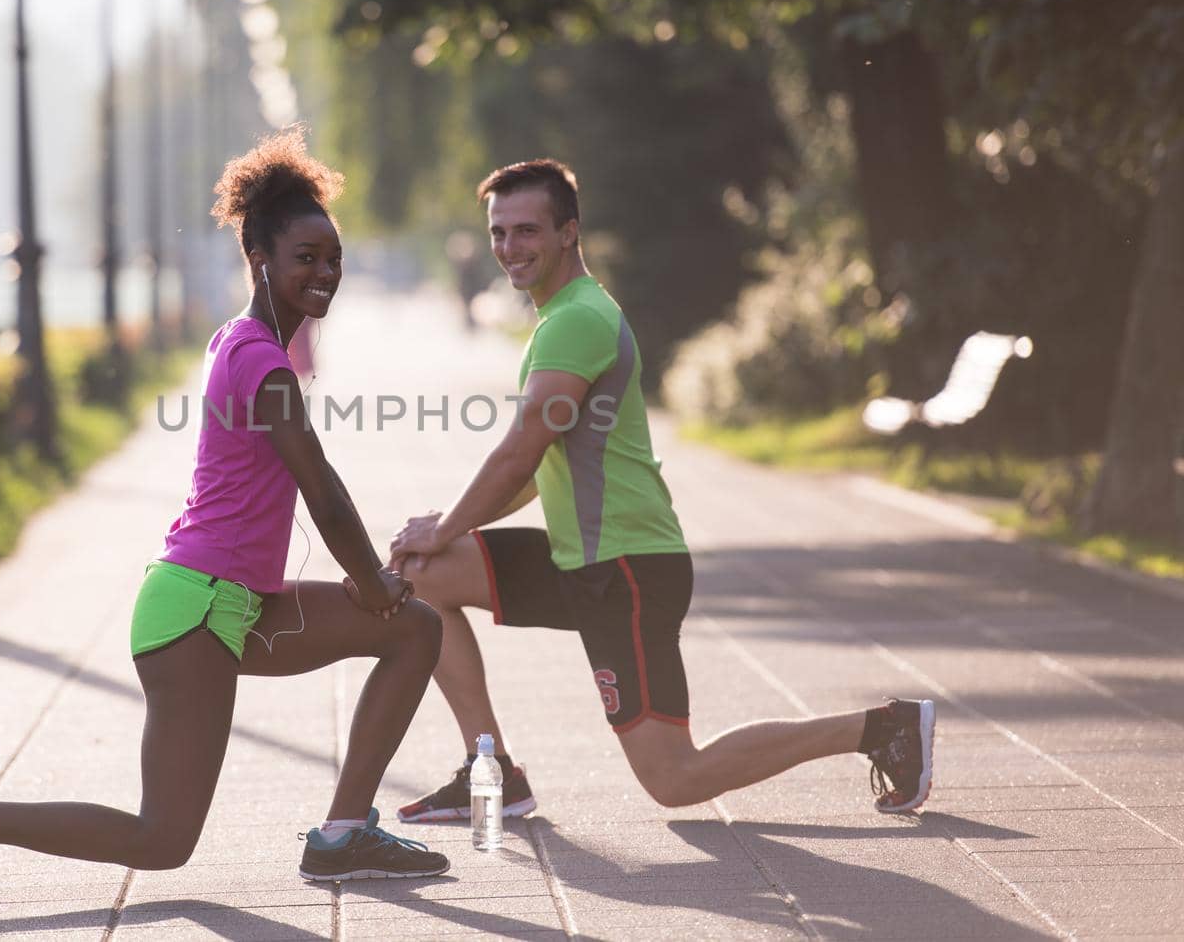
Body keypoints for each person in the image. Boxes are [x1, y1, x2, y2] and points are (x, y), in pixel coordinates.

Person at [0, 128, 449, 909]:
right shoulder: (259, 357)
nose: (325, 272)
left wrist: (380, 594)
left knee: (415, 629)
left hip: (236, 602)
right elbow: (320, 486)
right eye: (306, 258)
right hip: (196, 611)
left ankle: (343, 833)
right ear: (261, 260)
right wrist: (371, 582)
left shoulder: (247, 341)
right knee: (163, 841)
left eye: (333, 257)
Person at [389, 158, 935, 825]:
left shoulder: (576, 320)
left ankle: (883, 729)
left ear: (569, 232)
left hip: (627, 569)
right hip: (581, 560)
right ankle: (491, 769)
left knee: (675, 779)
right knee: (425, 577)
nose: (510, 248)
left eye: (527, 230)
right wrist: (443, 535)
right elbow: (535, 471)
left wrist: (445, 525)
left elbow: (519, 450)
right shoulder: (560, 316)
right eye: (500, 232)